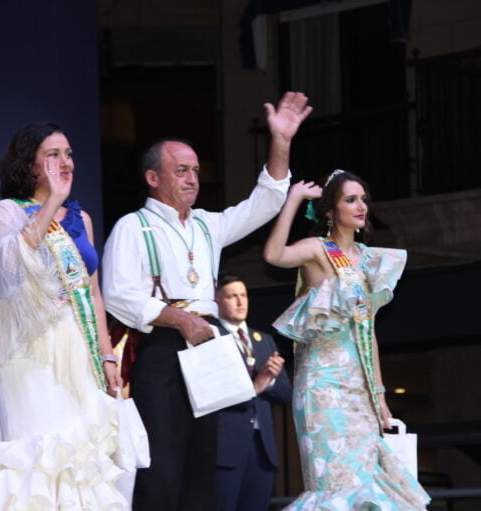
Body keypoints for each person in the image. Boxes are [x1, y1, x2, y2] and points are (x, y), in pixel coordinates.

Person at [102, 91, 312, 511]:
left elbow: (265, 202)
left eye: (196, 171)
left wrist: (281, 142)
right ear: (153, 178)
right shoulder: (134, 226)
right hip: (161, 349)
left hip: (207, 348)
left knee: (203, 472)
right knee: (161, 470)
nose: (193, 178)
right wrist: (181, 321)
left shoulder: (206, 225)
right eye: (181, 171)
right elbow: (118, 295)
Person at [0, 121, 132, 509]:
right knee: (42, 456)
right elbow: (11, 266)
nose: (65, 161)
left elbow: (93, 293)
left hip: (79, 348)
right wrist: (51, 201)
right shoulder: (7, 211)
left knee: (80, 455)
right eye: (52, 155)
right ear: (29, 165)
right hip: (32, 353)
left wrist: (106, 354)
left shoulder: (80, 218)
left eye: (68, 154)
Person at [264, 171, 430, 509]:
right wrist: (293, 199)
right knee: (335, 487)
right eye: (350, 200)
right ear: (330, 210)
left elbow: (368, 334)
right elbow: (274, 254)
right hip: (323, 384)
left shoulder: (369, 260)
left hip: (360, 389)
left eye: (364, 199)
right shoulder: (317, 249)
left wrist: (380, 397)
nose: (361, 206)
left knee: (367, 485)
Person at [214, 273, 292, 511]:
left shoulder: (263, 339)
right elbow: (213, 393)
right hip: (226, 448)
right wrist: (256, 385)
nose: (240, 302)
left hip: (261, 448)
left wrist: (268, 380)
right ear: (216, 301)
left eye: (244, 295)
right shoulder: (210, 337)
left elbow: (285, 394)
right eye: (231, 296)